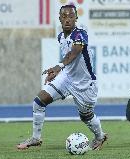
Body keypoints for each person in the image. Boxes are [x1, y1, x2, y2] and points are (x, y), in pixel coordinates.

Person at [17, 5, 108, 150]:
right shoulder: (60, 36)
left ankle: (100, 136)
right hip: (67, 78)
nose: (68, 20)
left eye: (71, 16)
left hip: (85, 84)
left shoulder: (80, 34)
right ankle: (36, 138)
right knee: (39, 101)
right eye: (64, 16)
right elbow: (69, 59)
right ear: (60, 18)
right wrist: (58, 72)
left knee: (86, 116)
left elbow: (74, 52)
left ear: (76, 18)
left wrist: (58, 66)